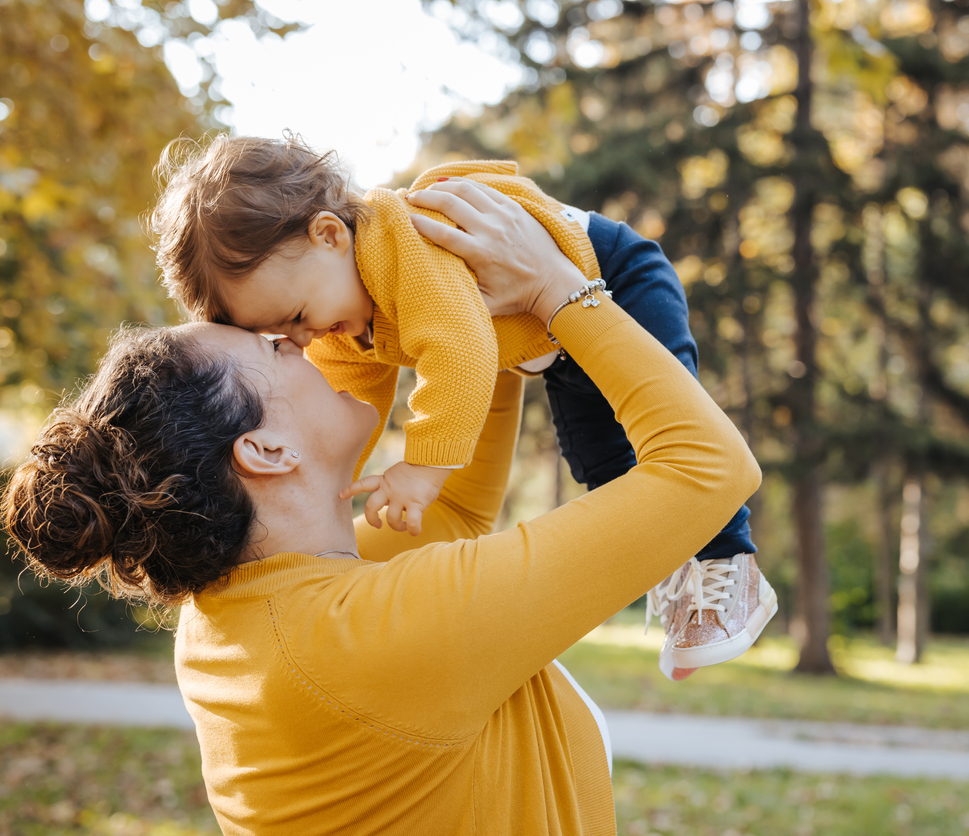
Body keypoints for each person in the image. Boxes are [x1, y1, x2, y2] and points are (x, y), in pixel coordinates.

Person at [2, 180, 765, 834]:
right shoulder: (361, 639)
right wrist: (554, 289)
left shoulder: (250, 605)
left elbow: (456, 516)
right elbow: (709, 467)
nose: (305, 342)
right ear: (265, 451)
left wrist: (453, 296)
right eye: (275, 348)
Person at [146, 134, 775, 676]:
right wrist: (328, 487)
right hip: (551, 341)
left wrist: (422, 467)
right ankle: (677, 562)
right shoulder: (344, 318)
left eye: (300, 317)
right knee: (605, 466)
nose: (307, 339)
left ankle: (728, 564)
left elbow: (460, 352)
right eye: (285, 335)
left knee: (668, 427)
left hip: (613, 279)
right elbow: (351, 402)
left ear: (330, 234)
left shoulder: (402, 253)